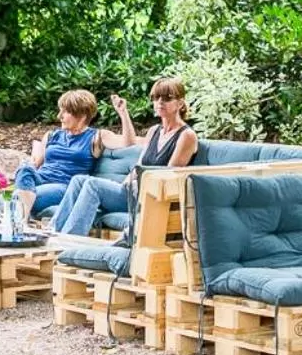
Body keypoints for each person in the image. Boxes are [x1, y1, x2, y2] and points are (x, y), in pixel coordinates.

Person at [49, 77, 199, 237]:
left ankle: (69, 239)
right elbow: (140, 164)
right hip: (133, 191)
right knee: (79, 180)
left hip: (152, 198)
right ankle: (52, 232)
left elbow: (168, 175)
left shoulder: (186, 135)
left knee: (93, 185)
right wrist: (126, 183)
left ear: (180, 103)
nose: (160, 102)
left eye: (167, 98)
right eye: (156, 98)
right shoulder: (154, 131)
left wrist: (132, 187)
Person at [13, 88, 136, 219]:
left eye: (65, 112)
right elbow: (35, 164)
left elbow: (128, 142)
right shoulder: (51, 136)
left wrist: (123, 113)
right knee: (25, 169)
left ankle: (19, 222)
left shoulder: (96, 137)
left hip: (65, 186)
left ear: (81, 115)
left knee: (19, 199)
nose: (59, 116)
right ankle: (21, 220)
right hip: (40, 179)